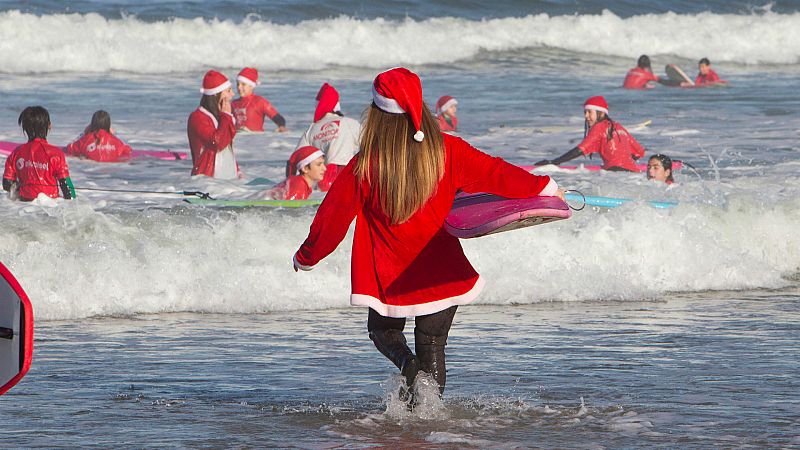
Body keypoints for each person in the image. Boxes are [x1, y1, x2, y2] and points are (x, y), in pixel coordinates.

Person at [292, 68, 563, 399]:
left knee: (381, 330)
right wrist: (545, 187)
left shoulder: (365, 166)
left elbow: (331, 220)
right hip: (440, 270)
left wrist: (306, 257)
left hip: (390, 275)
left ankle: (409, 369)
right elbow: (497, 173)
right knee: (433, 344)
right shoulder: (448, 150)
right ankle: (429, 420)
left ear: (377, 115)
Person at [535, 96, 646, 172]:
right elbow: (640, 152)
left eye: (589, 112)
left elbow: (580, 150)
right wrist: (625, 162)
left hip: (614, 173)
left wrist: (554, 162)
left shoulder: (599, 127)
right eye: (585, 112)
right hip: (633, 173)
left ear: (601, 113)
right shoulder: (617, 126)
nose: (586, 116)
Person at [296, 83, 361, 191]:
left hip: (322, 178)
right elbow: (373, 146)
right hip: (346, 174)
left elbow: (296, 158)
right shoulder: (350, 123)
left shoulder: (312, 129)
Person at [3, 106, 74, 201]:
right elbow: (67, 187)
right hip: (50, 205)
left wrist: (24, 189)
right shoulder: (56, 154)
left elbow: (7, 183)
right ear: (49, 126)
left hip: (23, 207)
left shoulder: (16, 153)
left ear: (25, 128)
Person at [187, 70, 239, 179]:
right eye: (228, 90)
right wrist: (226, 116)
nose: (233, 94)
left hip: (229, 183)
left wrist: (238, 172)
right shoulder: (198, 118)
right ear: (216, 94)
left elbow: (227, 151)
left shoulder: (223, 117)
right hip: (207, 184)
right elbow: (217, 143)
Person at [231, 67, 287, 133]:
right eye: (238, 84)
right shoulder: (233, 103)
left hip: (257, 139)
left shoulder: (259, 101)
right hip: (240, 140)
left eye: (243, 84)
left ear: (251, 86)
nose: (239, 87)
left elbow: (278, 118)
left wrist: (281, 126)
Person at [65, 110, 132, 162]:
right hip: (111, 170)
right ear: (108, 125)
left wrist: (83, 133)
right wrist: (113, 136)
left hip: (89, 170)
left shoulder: (85, 140)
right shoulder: (117, 142)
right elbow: (128, 150)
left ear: (92, 124)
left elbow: (69, 148)